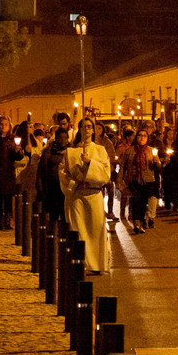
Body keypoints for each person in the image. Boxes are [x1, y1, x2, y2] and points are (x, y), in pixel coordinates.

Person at [61, 117, 112, 274]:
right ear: (79, 129)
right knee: (80, 229)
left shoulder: (100, 150)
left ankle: (97, 264)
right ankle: (82, 263)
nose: (87, 129)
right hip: (78, 195)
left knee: (96, 228)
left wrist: (91, 163)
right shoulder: (71, 152)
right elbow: (64, 173)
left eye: (90, 126)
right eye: (84, 126)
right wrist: (75, 182)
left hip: (94, 194)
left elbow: (106, 173)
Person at [120, 130, 161, 234]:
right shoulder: (129, 151)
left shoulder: (151, 151)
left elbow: (158, 168)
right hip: (133, 180)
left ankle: (142, 222)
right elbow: (123, 167)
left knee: (143, 201)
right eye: (140, 135)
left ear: (147, 138)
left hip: (148, 180)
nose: (142, 137)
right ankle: (136, 223)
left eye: (144, 136)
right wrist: (119, 181)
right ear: (136, 137)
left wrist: (155, 159)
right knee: (136, 199)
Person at [37, 127, 69, 220]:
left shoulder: (71, 150)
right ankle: (53, 232)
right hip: (52, 185)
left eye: (65, 138)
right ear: (56, 138)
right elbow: (42, 169)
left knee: (65, 213)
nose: (63, 140)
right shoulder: (49, 151)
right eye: (60, 137)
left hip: (66, 186)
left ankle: (63, 232)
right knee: (53, 213)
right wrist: (40, 187)